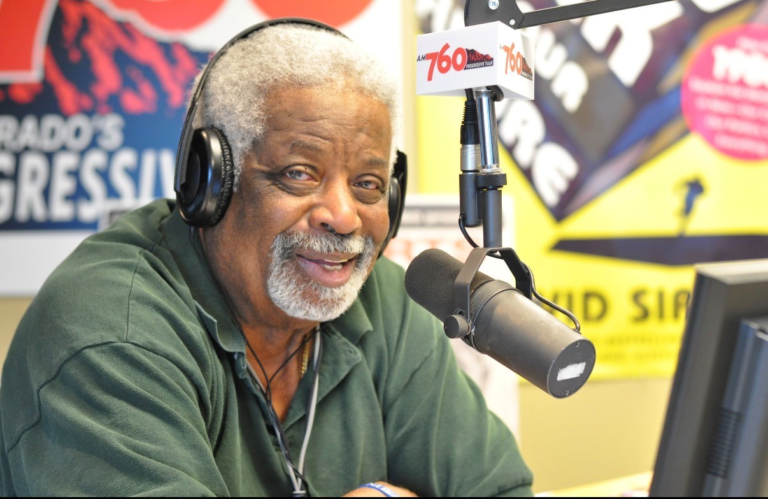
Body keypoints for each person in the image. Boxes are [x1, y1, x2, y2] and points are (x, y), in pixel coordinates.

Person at [0, 20, 533, 497]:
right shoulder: (111, 331)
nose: (343, 217)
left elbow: (499, 490)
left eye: (368, 184)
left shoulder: (389, 302)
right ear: (211, 182)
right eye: (299, 173)